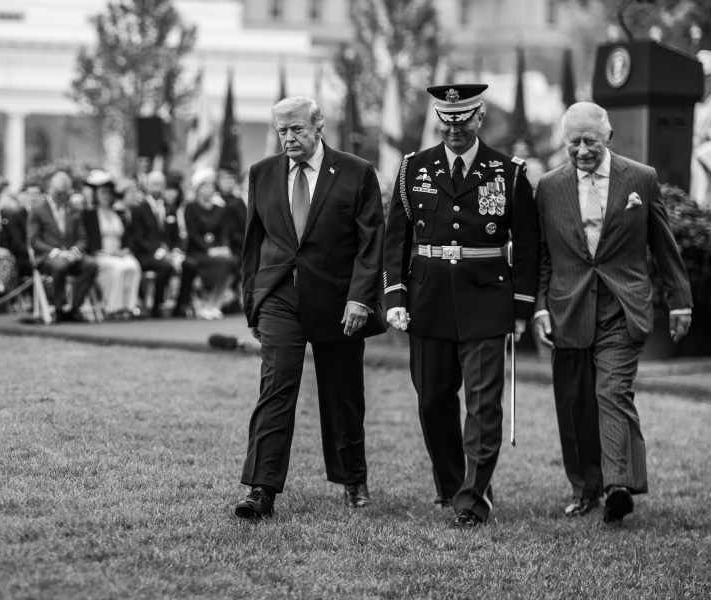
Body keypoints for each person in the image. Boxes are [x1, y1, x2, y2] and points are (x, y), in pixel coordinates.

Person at [384, 84, 539, 529]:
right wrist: (395, 295)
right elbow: (397, 238)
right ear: (439, 119)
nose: (454, 128)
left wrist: (523, 308)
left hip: (487, 300)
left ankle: (474, 498)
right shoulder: (413, 168)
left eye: (464, 119)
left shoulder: (507, 171)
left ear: (479, 118)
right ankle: (454, 486)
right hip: (428, 298)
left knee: (483, 404)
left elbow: (527, 246)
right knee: (432, 401)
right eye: (447, 119)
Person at [534, 102, 692, 524]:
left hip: (623, 306)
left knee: (612, 391)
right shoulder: (548, 187)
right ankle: (584, 490)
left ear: (609, 138)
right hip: (567, 306)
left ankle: (617, 485)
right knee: (574, 402)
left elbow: (663, 245)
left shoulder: (641, 178)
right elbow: (543, 257)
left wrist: (680, 300)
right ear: (564, 142)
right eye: (574, 143)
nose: (583, 150)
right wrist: (538, 309)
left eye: (591, 141)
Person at [234, 97, 386, 520]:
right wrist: (253, 302)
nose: (288, 138)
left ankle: (352, 479)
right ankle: (261, 489)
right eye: (282, 130)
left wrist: (360, 297)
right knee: (276, 388)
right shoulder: (262, 174)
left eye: (297, 129)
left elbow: (371, 245)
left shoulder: (356, 172)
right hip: (280, 297)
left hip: (340, 301)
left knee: (342, 393)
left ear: (319, 126)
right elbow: (253, 244)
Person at [28, 171, 98, 323]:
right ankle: (58, 309)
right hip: (48, 257)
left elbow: (82, 238)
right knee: (60, 266)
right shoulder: (38, 210)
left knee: (91, 265)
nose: (62, 197)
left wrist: (75, 250)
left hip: (71, 255)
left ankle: (74, 308)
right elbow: (34, 241)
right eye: (59, 193)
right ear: (51, 189)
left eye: (65, 194)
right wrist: (56, 252)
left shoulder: (74, 210)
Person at [179, 167, 237, 320]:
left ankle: (215, 303)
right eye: (204, 186)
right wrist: (210, 250)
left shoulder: (219, 209)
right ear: (198, 189)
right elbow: (193, 234)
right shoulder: (190, 208)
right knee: (219, 264)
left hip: (217, 251)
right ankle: (206, 304)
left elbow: (224, 232)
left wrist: (224, 247)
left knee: (231, 262)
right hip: (197, 252)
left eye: (211, 186)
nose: (208, 189)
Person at [83, 171, 142, 318]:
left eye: (108, 193)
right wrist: (107, 253)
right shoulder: (89, 214)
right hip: (101, 254)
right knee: (118, 268)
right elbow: (88, 239)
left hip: (119, 252)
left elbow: (128, 235)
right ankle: (111, 307)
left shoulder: (119, 213)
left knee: (133, 266)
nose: (105, 196)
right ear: (96, 194)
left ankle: (128, 306)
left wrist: (125, 249)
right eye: (102, 193)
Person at [128, 171, 182, 318]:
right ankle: (156, 305)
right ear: (147, 186)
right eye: (153, 184)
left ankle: (181, 306)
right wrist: (158, 251)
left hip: (168, 253)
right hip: (146, 255)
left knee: (189, 264)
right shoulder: (139, 209)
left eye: (159, 184)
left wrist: (176, 250)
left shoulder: (170, 208)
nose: (157, 188)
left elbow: (175, 235)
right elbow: (138, 237)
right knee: (165, 267)